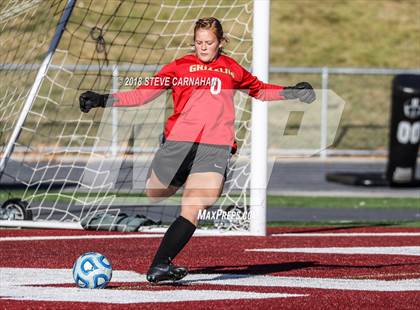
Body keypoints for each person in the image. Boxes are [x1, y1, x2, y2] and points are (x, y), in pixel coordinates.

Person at [79, 17, 315, 283]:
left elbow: (259, 90)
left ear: (220, 43)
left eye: (209, 43)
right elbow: (143, 94)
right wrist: (102, 99)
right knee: (156, 191)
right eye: (199, 42)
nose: (203, 48)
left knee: (196, 205)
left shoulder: (232, 69)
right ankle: (178, 176)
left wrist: (291, 92)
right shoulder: (178, 67)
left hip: (215, 147)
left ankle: (159, 265)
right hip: (179, 144)